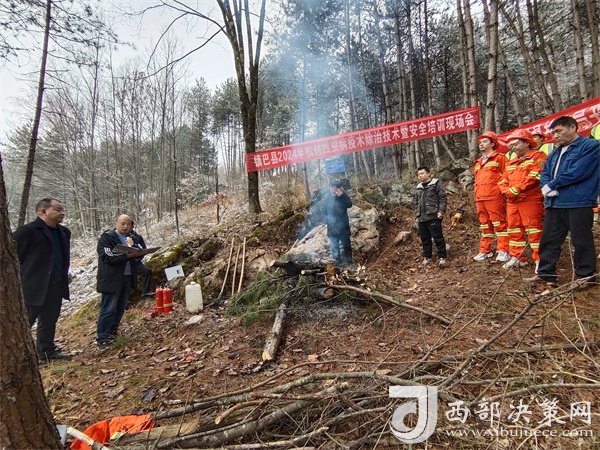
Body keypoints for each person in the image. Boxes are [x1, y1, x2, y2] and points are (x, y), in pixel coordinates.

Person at [525, 116, 600, 288]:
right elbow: (545, 172)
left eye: (559, 131)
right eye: (553, 133)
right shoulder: (555, 152)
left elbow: (579, 171)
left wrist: (553, 184)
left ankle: (585, 276)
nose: (555, 136)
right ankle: (546, 274)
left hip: (578, 201)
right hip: (554, 202)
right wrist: (546, 186)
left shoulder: (590, 146)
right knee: (549, 239)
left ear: (572, 127)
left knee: (581, 240)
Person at [13, 198, 72, 361]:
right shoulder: (27, 232)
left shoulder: (64, 232)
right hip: (32, 285)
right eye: (58, 210)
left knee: (49, 320)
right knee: (25, 322)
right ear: (43, 211)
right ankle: (17, 357)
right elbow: (13, 257)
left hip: (56, 283)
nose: (62, 213)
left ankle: (46, 352)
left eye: (62, 210)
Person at [498, 130, 547, 271]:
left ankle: (540, 260)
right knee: (513, 229)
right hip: (512, 202)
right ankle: (517, 257)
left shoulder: (538, 156)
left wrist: (516, 189)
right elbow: (503, 180)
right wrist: (507, 191)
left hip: (530, 200)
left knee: (534, 230)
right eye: (510, 145)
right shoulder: (511, 161)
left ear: (526, 143)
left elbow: (535, 175)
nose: (512, 147)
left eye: (515, 144)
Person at [96, 214, 142, 349]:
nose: (125, 226)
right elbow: (107, 257)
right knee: (109, 308)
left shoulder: (133, 237)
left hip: (127, 276)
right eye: (122, 223)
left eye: (128, 224)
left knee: (120, 307)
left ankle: (112, 334)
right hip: (111, 279)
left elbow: (140, 251)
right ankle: (103, 338)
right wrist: (126, 255)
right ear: (115, 223)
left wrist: (136, 251)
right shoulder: (107, 237)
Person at [473, 131, 510, 262]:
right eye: (480, 142)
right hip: (480, 197)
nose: (481, 144)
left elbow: (507, 176)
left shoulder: (500, 158)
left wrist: (503, 191)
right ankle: (485, 250)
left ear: (493, 144)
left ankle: (503, 250)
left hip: (494, 196)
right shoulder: (478, 162)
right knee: (484, 225)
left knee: (499, 223)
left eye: (484, 142)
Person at [415, 166, 447, 267]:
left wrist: (441, 211)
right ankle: (427, 257)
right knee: (425, 239)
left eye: (422, 173)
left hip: (433, 216)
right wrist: (417, 214)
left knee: (438, 238)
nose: (420, 176)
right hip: (422, 218)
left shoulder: (435, 184)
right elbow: (416, 202)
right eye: (418, 174)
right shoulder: (418, 188)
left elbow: (442, 198)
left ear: (429, 173)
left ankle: (442, 257)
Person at [324, 180, 353, 266]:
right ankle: (337, 264)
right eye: (332, 187)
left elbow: (350, 205)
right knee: (334, 247)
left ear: (338, 188)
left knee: (347, 246)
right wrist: (326, 219)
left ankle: (350, 263)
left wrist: (342, 196)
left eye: (335, 188)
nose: (333, 189)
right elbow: (323, 210)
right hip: (332, 227)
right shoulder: (327, 197)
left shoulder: (343, 196)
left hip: (343, 226)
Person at [130, 221, 153, 297]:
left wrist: (138, 257)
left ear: (132, 226)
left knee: (147, 271)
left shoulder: (138, 237)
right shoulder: (120, 236)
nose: (126, 227)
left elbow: (144, 249)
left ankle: (146, 291)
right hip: (123, 262)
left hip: (136, 262)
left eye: (129, 225)